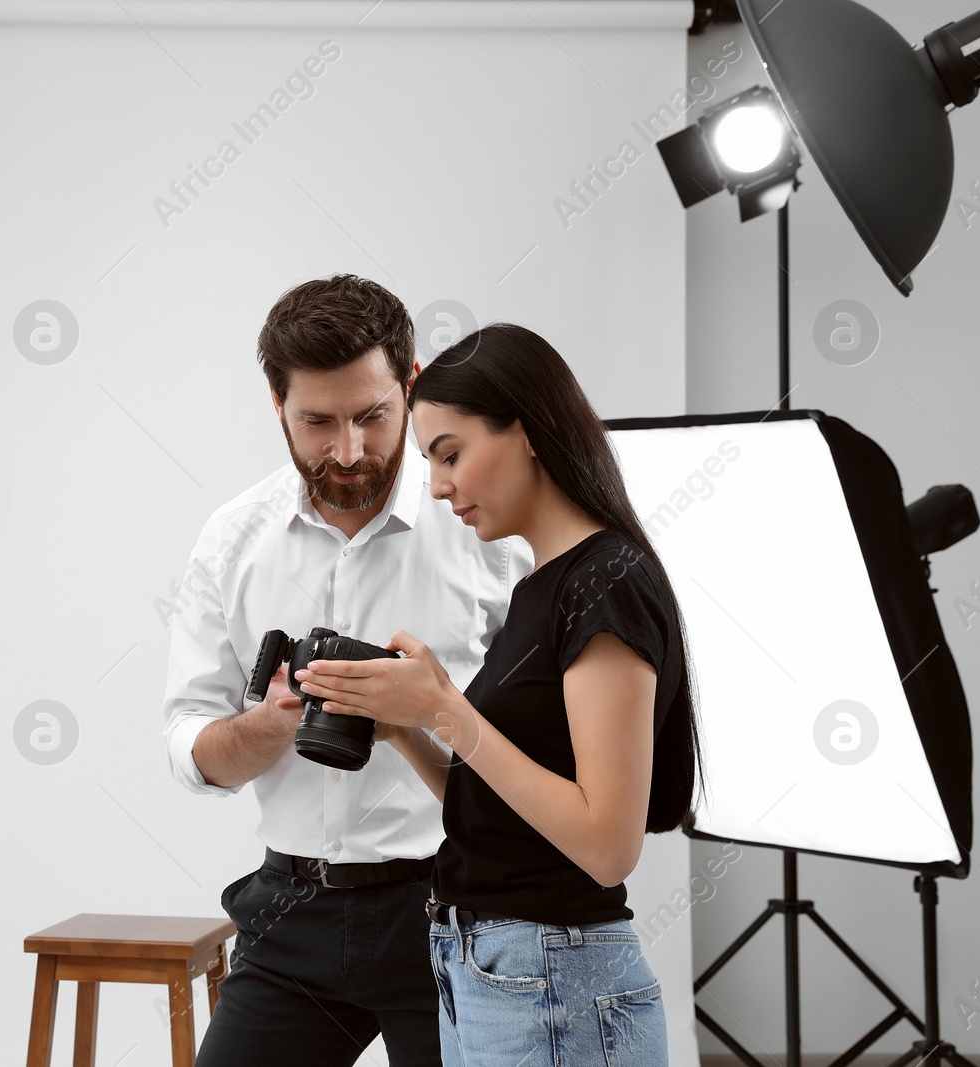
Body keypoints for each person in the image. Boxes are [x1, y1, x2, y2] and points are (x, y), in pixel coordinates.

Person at [294, 323, 704, 1067]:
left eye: (451, 453)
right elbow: (504, 808)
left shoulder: (604, 583)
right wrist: (409, 728)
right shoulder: (540, 590)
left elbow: (608, 846)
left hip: (553, 977)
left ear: (528, 429)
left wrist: (448, 706)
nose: (440, 484)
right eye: (430, 462)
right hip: (492, 970)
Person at [162, 276, 534, 1067]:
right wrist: (262, 731)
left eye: (371, 416)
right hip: (291, 908)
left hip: (453, 907)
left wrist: (429, 710)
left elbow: (552, 744)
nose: (349, 451)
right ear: (277, 405)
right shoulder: (231, 540)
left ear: (412, 385)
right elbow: (189, 746)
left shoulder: (491, 531)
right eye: (317, 422)